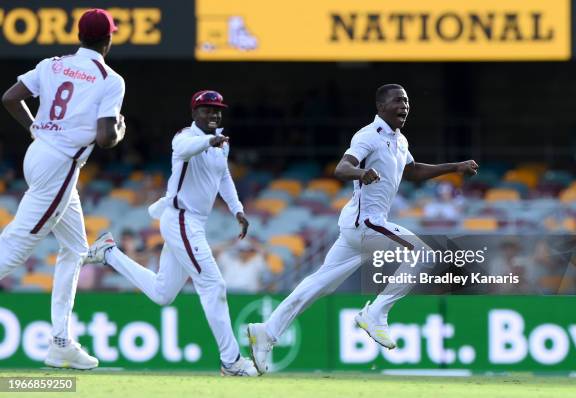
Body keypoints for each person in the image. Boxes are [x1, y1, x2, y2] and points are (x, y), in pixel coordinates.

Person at [247, 84, 478, 374]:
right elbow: (342, 168)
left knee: (319, 284)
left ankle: (267, 331)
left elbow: (414, 170)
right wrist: (361, 172)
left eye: (407, 101)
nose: (404, 106)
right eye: (397, 100)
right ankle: (375, 314)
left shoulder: (400, 140)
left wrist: (455, 167)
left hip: (357, 227)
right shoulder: (368, 135)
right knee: (425, 255)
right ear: (381, 106)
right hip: (367, 223)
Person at [85, 90, 258, 376]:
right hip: (181, 219)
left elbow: (224, 176)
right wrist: (210, 140)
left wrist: (237, 209)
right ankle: (231, 361)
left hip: (192, 223)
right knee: (214, 287)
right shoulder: (185, 137)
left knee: (163, 293)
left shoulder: (221, 143)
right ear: (194, 114)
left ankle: (109, 253)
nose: (214, 114)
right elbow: (184, 150)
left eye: (217, 110)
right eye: (207, 109)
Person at [0, 9, 125, 370]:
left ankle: (60, 343)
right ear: (108, 40)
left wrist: (34, 127)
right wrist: (120, 130)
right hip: (60, 166)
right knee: (13, 249)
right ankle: (59, 342)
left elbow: (10, 97)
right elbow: (104, 138)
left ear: (79, 36)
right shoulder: (109, 78)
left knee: (76, 247)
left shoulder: (52, 64)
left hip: (39, 152)